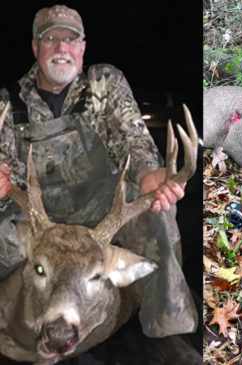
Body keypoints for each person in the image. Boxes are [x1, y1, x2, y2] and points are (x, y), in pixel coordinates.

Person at [0, 4, 197, 343]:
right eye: (51, 39)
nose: (62, 48)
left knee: (156, 210)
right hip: (39, 220)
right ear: (36, 47)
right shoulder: (8, 104)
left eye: (70, 40)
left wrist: (150, 173)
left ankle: (168, 326)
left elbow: (132, 140)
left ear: (82, 47)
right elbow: (9, 177)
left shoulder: (103, 82)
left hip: (100, 208)